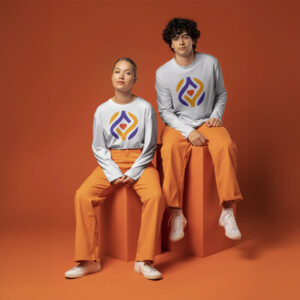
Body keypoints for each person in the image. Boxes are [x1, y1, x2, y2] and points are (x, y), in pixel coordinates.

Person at [65, 58, 164, 280]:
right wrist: (113, 173)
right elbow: (99, 147)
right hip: (111, 160)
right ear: (111, 77)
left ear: (134, 79)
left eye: (128, 73)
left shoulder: (145, 107)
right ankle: (89, 260)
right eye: (117, 71)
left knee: (156, 196)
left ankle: (144, 260)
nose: (122, 76)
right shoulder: (102, 110)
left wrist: (132, 173)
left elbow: (149, 146)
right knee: (82, 195)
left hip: (141, 161)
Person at [156, 18, 243, 243]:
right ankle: (176, 213)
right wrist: (188, 131)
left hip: (207, 121)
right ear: (171, 44)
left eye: (185, 36)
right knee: (170, 149)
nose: (181, 42)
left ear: (193, 39)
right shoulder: (163, 73)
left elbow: (221, 94)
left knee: (225, 146)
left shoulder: (210, 63)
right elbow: (165, 111)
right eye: (176, 39)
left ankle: (227, 210)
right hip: (178, 124)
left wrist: (216, 116)